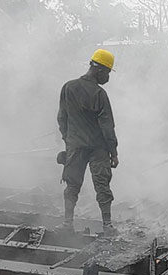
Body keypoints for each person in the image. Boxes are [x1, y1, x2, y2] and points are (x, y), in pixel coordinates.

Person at [57, 49, 119, 236]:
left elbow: (62, 118)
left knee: (72, 184)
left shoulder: (68, 87)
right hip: (98, 148)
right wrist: (114, 153)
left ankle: (68, 224)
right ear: (99, 70)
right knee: (102, 185)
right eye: (107, 72)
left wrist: (69, 141)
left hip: (75, 146)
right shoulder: (100, 94)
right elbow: (107, 126)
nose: (108, 77)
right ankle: (107, 225)